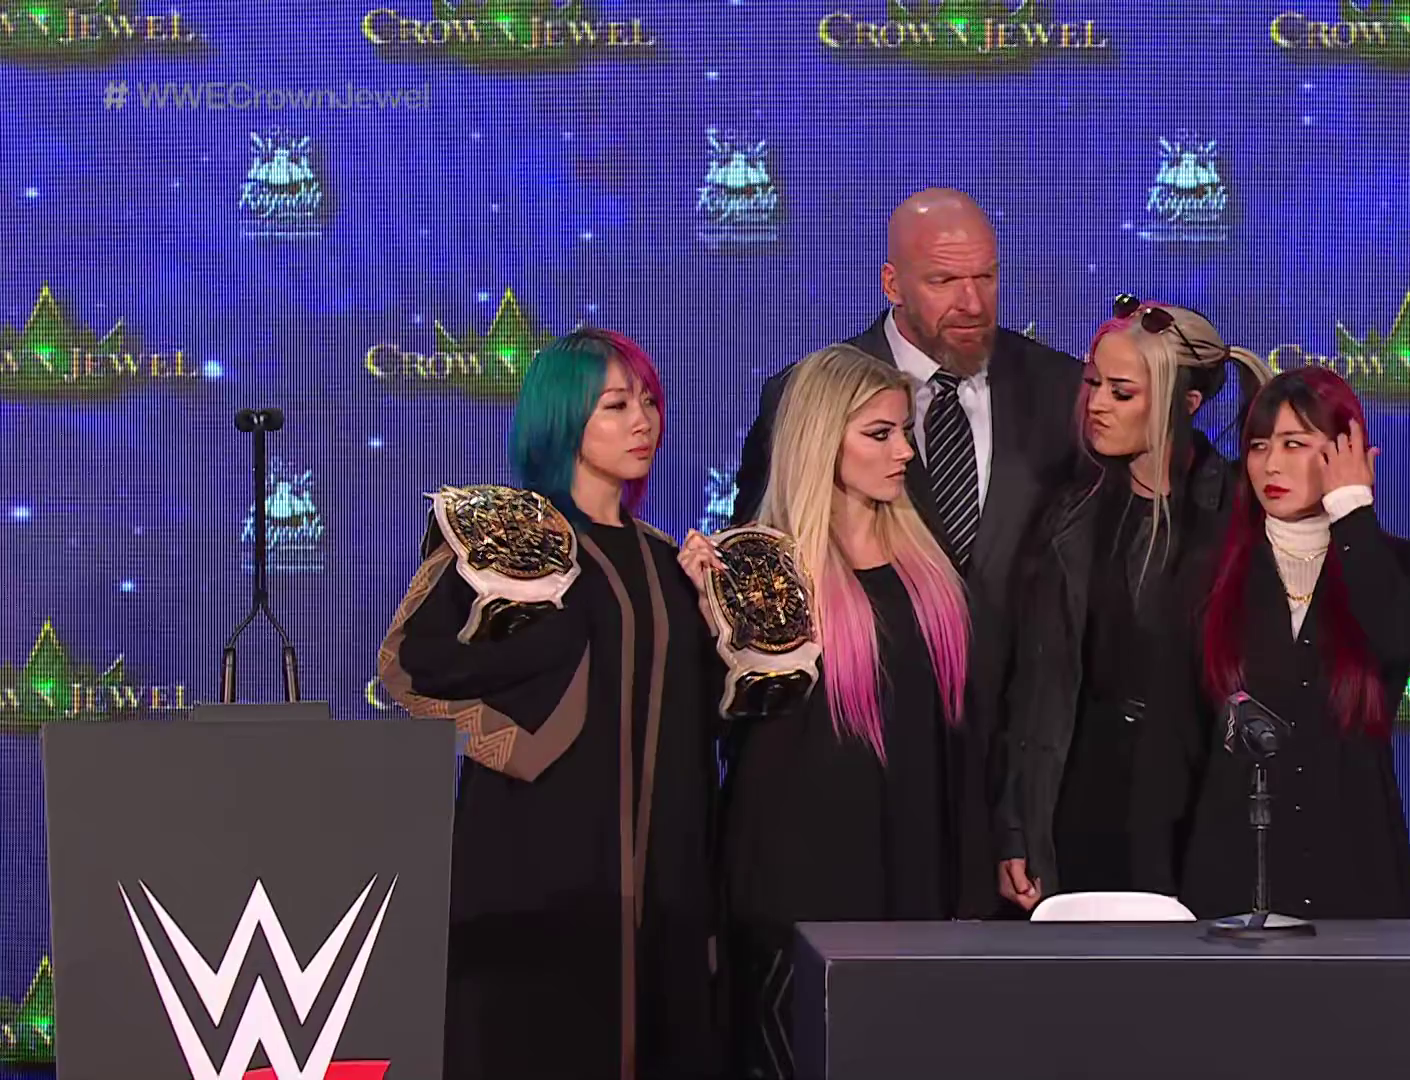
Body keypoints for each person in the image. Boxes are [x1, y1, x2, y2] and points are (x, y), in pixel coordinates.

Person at [376, 329, 721, 1080]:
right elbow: (410, 664)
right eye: (616, 405)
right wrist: (515, 741)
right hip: (538, 854)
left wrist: (718, 613)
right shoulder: (505, 545)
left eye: (650, 402)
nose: (643, 422)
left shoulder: (668, 561)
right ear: (563, 418)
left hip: (666, 866)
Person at [685, 344, 995, 1080]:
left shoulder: (930, 574)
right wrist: (710, 618)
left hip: (912, 884)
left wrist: (969, 881)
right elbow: (723, 729)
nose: (904, 452)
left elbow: (957, 741)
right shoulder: (761, 575)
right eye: (879, 434)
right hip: (796, 891)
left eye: (904, 432)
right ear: (823, 440)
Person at [730, 189, 1082, 835]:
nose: (972, 303)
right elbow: (765, 575)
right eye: (944, 281)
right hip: (858, 772)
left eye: (986, 277)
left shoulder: (1064, 391)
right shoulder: (804, 395)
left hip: (1024, 773)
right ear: (892, 283)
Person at [997, 297, 1268, 909]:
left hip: (1197, 803)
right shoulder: (1068, 514)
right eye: (1094, 383)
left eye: (1121, 393)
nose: (1096, 404)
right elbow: (1034, 687)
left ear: (1185, 403)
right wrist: (1017, 825)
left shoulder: (1241, 518)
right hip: (1084, 799)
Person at [1180, 367, 1410, 921]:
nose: (1270, 465)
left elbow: (1402, 638)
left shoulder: (1401, 566)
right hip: (1231, 885)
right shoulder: (1207, 571)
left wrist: (1351, 511)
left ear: (1344, 451)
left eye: (1294, 444)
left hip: (1356, 878)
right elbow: (1177, 739)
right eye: (1259, 446)